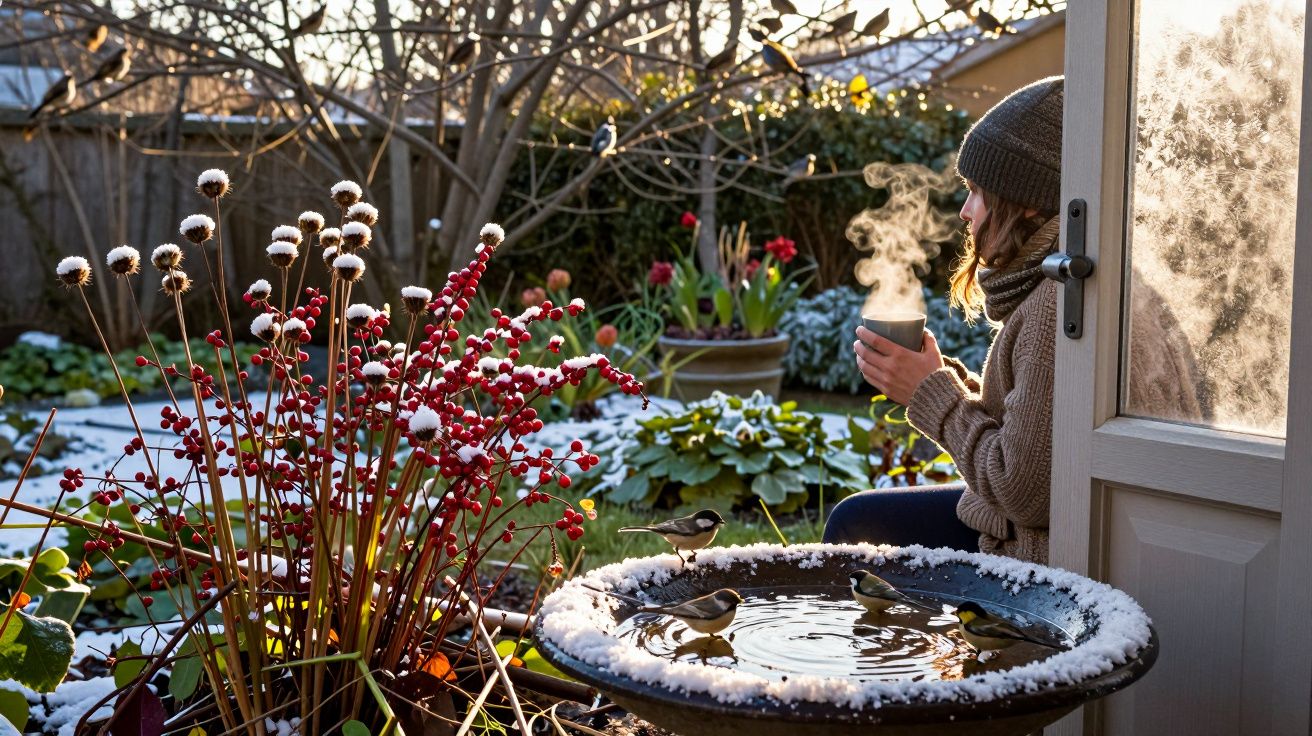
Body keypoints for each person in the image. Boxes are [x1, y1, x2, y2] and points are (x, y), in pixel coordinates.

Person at [825, 76, 1203, 564]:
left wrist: (931, 395)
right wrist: (945, 380)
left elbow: (1020, 489)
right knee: (858, 520)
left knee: (855, 526)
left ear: (1025, 202)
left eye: (978, 193)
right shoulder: (1099, 281)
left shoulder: (1058, 305)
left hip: (1038, 557)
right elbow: (1040, 433)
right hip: (1058, 531)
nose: (965, 212)